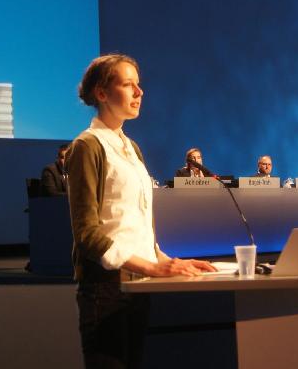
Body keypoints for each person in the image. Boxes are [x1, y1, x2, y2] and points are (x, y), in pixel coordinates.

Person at [67, 54, 216, 368]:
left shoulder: (131, 148)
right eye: (127, 84)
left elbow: (131, 223)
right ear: (101, 93)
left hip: (139, 285)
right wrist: (153, 268)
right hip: (105, 289)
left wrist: (166, 260)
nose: (139, 92)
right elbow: (87, 235)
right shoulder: (87, 146)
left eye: (138, 84)